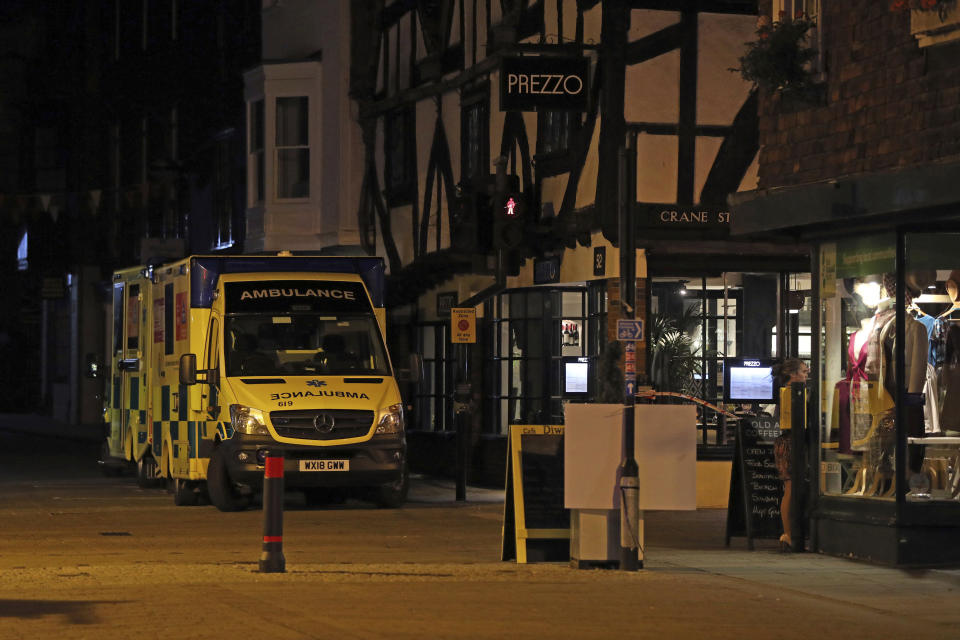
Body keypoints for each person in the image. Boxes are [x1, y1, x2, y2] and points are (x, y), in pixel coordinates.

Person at [772, 358, 809, 552]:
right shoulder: (790, 393)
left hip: (789, 441)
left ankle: (792, 533)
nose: (807, 374)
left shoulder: (795, 392)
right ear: (793, 375)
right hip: (789, 442)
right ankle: (789, 534)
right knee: (791, 487)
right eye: (803, 371)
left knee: (793, 487)